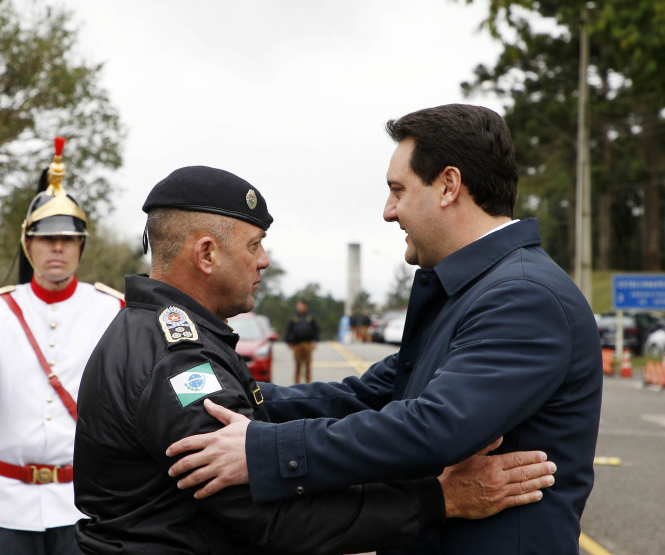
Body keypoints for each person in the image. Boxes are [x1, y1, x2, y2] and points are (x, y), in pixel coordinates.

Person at [165, 105, 603, 555]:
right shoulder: (472, 291)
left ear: (449, 186)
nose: (388, 212)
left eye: (398, 190)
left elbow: (435, 426)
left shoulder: (524, 296)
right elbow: (365, 395)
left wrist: (265, 452)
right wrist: (224, 397)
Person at [73, 165, 556, 555]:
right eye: (254, 245)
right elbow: (269, 516)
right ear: (206, 254)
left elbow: (272, 408)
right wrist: (440, 499)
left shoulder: (167, 333)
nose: (263, 260)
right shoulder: (179, 363)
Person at [0, 138, 124, 555]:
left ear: (81, 246)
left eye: (68, 238)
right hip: (8, 506)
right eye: (47, 239)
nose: (58, 247)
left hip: (83, 504)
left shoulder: (111, 309)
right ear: (28, 243)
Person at [285, 298, 319, 383]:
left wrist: (315, 341)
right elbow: (289, 330)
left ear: (306, 306)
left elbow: (316, 330)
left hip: (308, 344)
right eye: (299, 305)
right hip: (297, 344)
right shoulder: (294, 318)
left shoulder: (310, 318)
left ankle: (308, 383)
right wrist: (289, 341)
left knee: (308, 365)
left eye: (302, 305)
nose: (301, 307)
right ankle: (296, 384)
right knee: (298, 365)